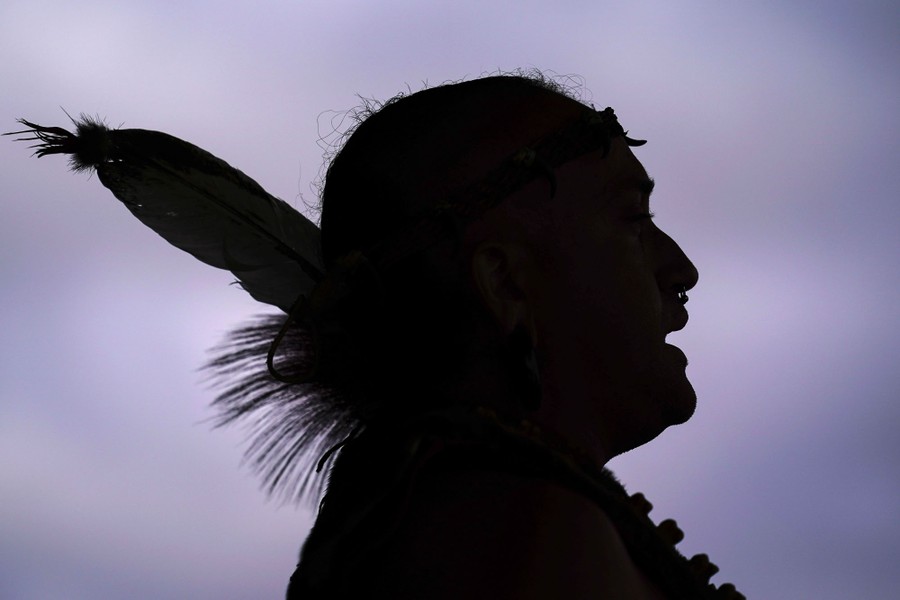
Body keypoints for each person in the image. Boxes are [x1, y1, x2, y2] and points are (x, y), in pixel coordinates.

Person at [9, 73, 743, 598]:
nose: (680, 269)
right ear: (507, 284)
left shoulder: (465, 511)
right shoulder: (510, 533)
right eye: (632, 221)